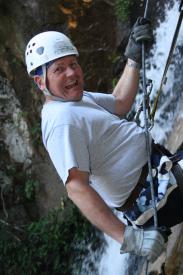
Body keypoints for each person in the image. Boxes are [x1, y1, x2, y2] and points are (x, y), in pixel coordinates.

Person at [25, 18, 183, 263]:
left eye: (73, 64)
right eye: (59, 69)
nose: (71, 73)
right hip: (156, 196)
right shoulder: (61, 121)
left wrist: (133, 59)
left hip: (159, 176)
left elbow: (119, 102)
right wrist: (129, 239)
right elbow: (76, 188)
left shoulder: (73, 100)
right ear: (40, 81)